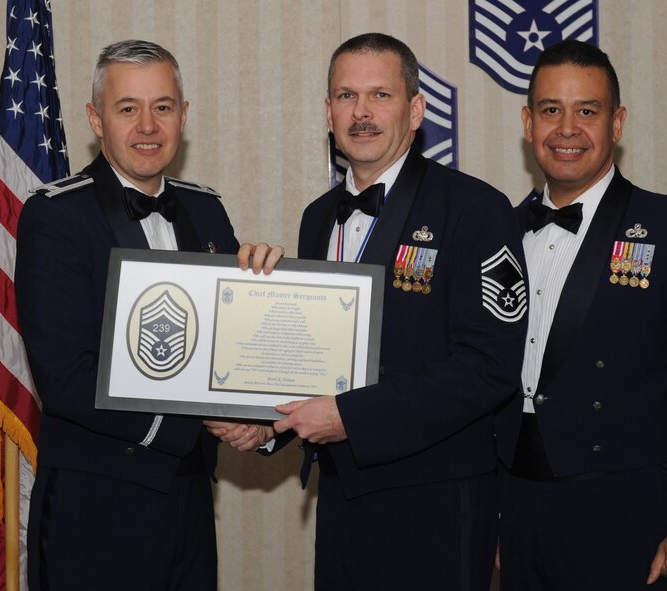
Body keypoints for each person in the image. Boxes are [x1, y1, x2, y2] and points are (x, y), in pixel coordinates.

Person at [217, 32, 527, 590]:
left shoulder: (475, 209)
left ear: (416, 110)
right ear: (328, 112)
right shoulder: (317, 218)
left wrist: (352, 418)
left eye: (380, 95)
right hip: (341, 496)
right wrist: (269, 423)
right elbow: (321, 361)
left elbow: (490, 367)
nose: (361, 113)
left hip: (436, 503)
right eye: (346, 96)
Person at [15, 39, 280, 591]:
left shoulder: (206, 209)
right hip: (96, 503)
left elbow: (225, 348)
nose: (148, 126)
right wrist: (198, 419)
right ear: (96, 119)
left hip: (189, 497)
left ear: (183, 116)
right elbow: (66, 378)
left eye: (162, 106)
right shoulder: (55, 215)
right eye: (127, 108)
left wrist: (263, 422)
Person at [494, 39, 667, 590]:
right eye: (551, 110)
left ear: (617, 123)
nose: (567, 129)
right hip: (519, 514)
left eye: (587, 111)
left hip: (631, 519)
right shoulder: (498, 235)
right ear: (528, 122)